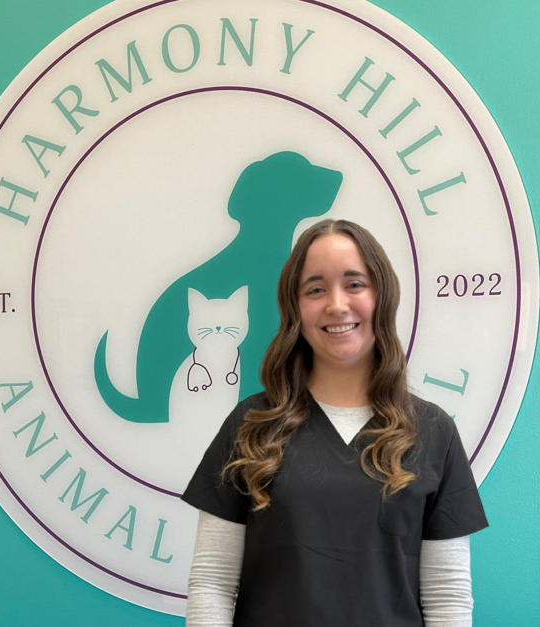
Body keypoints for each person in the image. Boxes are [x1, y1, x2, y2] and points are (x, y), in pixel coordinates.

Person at [181, 219, 488, 626]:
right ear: (295, 308)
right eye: (315, 289)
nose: (337, 304)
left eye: (355, 284)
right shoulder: (251, 425)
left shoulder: (433, 432)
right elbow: (213, 583)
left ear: (383, 295)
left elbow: (447, 595)